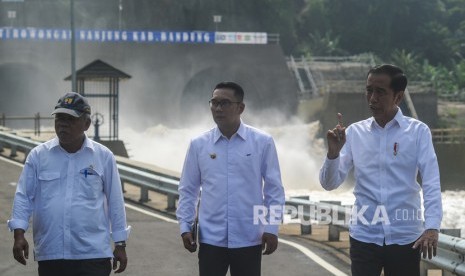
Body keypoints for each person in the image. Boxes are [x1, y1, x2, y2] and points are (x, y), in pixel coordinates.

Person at [319, 64, 442, 276]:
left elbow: (431, 182)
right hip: (364, 237)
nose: (372, 98)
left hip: (405, 238)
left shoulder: (418, 132)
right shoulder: (355, 133)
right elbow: (329, 184)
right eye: (369, 90)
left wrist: (432, 227)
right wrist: (333, 154)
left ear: (398, 96)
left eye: (380, 92)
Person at [8, 92, 130, 276]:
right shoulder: (38, 156)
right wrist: (19, 234)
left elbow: (115, 202)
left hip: (93, 255)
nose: (63, 124)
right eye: (59, 118)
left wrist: (120, 243)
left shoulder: (103, 157)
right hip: (52, 253)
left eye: (70, 119)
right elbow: (24, 196)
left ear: (87, 124)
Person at [176, 81, 285, 276]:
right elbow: (188, 189)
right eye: (214, 103)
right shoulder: (198, 144)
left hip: (249, 236)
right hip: (211, 238)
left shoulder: (262, 142)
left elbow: (273, 190)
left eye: (224, 103)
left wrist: (271, 227)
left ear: (240, 107)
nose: (218, 108)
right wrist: (185, 226)